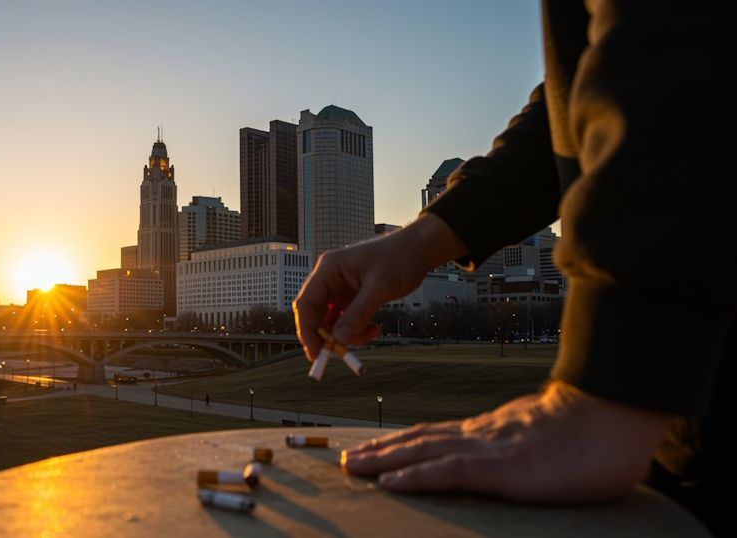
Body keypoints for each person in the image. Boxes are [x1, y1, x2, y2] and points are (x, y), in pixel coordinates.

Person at [293, 2, 733, 534]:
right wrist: (423, 239)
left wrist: (606, 392)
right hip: (678, 419)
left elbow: (675, 45)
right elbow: (578, 95)